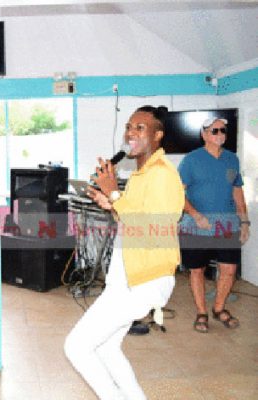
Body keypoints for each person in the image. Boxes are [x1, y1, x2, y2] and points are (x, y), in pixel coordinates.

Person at [64, 106, 185, 399]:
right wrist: (110, 203)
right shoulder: (142, 174)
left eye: (140, 128)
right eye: (129, 127)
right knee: (105, 347)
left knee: (76, 347)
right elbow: (132, 219)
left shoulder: (163, 175)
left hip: (143, 283)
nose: (131, 132)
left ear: (158, 135)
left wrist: (115, 194)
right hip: (124, 281)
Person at [178, 117, 250, 333]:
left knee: (229, 270)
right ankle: (201, 312)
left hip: (227, 225)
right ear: (204, 134)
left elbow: (237, 190)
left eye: (223, 131)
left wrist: (244, 221)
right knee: (197, 271)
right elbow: (177, 194)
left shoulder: (232, 160)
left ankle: (219, 308)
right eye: (215, 130)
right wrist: (195, 215)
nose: (220, 134)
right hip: (195, 226)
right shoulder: (191, 161)